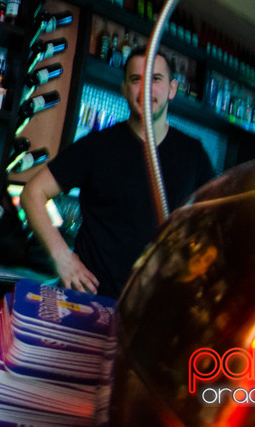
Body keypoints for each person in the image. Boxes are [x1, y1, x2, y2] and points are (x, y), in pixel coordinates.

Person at [19, 46, 215, 299]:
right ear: (124, 89)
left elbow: (214, 220)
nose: (145, 89)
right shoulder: (97, 146)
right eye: (136, 80)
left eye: (155, 79)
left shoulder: (193, 154)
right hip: (92, 299)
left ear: (172, 89)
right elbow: (32, 193)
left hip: (156, 304)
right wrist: (62, 257)